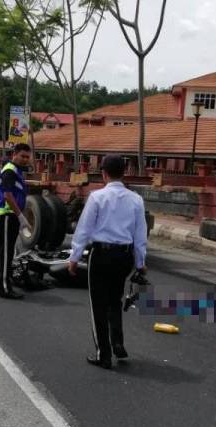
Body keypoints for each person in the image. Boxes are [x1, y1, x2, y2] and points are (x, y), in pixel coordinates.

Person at [69, 155, 147, 369]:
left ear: (103, 173)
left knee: (98, 305)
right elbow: (141, 234)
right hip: (125, 256)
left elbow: (83, 229)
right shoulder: (136, 199)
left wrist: (74, 257)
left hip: (101, 255)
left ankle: (103, 354)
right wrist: (141, 262)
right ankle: (118, 343)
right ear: (124, 172)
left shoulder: (97, 197)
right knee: (115, 299)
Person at [0, 145, 32, 299]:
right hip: (7, 215)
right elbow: (8, 196)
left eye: (28, 157)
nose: (25, 159)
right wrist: (21, 216)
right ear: (14, 154)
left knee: (4, 252)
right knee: (7, 253)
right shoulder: (10, 171)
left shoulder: (17, 171)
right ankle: (5, 288)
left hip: (9, 215)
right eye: (22, 156)